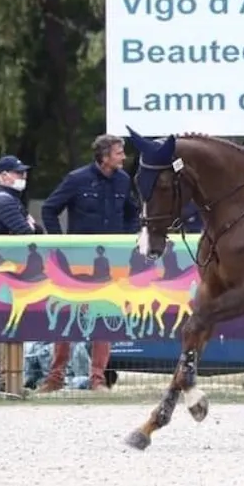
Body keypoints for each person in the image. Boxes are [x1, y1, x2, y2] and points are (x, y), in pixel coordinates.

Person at [37, 134, 140, 392]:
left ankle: (98, 380)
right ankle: (55, 378)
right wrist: (60, 244)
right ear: (105, 156)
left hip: (110, 264)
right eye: (119, 153)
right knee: (67, 318)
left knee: (104, 318)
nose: (123, 158)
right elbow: (50, 209)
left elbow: (132, 214)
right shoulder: (76, 179)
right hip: (76, 263)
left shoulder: (124, 181)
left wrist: (127, 242)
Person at [0, 154, 43, 392]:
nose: (23, 176)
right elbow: (26, 233)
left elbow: (35, 230)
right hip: (5, 273)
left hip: (5, 272)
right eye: (18, 173)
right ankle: (6, 380)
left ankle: (7, 379)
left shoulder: (9, 200)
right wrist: (30, 226)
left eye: (23, 172)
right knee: (9, 326)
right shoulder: (5, 201)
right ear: (3, 176)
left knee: (10, 326)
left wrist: (32, 226)